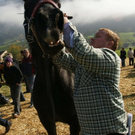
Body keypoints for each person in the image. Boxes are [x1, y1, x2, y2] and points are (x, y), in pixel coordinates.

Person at [46, 15, 128, 135]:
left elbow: (82, 51)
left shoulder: (111, 57)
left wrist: (65, 23)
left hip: (110, 131)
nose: (92, 39)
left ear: (110, 44)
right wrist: (54, 44)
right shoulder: (83, 62)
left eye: (97, 36)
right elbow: (61, 59)